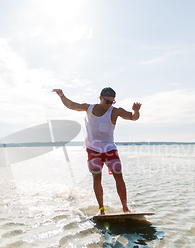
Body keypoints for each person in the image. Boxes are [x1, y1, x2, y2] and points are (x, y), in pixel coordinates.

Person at [52, 87, 141, 215]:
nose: (109, 105)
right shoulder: (89, 108)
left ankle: (125, 208)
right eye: (107, 101)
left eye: (112, 102)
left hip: (110, 149)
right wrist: (62, 95)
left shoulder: (115, 111)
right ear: (100, 98)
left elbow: (133, 117)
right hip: (93, 150)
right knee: (96, 177)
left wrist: (136, 111)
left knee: (118, 175)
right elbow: (71, 105)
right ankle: (101, 209)